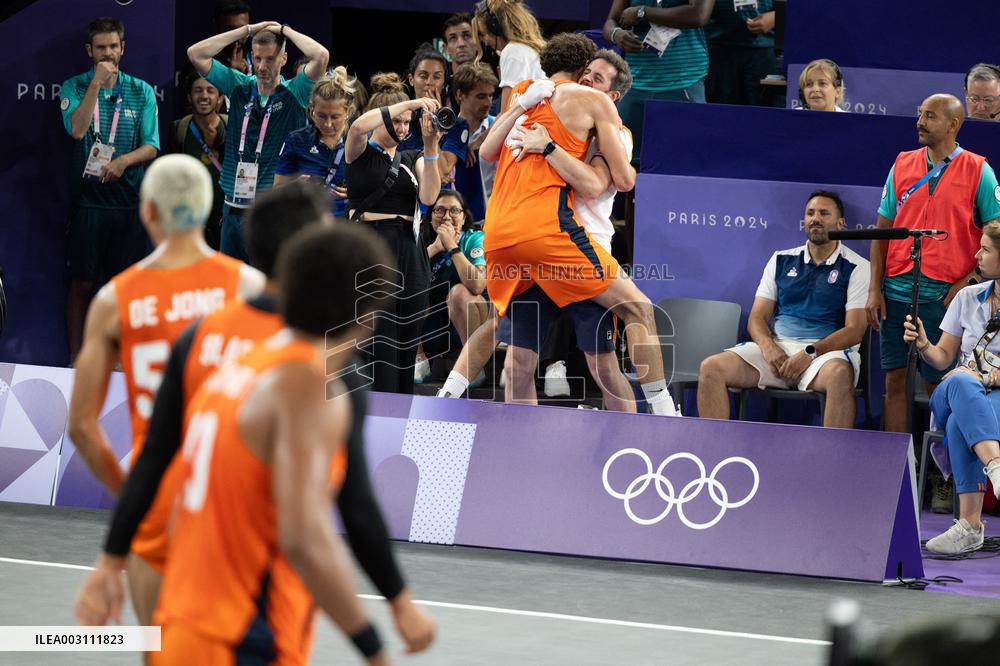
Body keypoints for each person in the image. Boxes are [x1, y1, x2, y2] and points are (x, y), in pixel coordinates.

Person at [73, 181, 435, 654]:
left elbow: (152, 455)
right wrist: (379, 632)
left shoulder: (206, 341)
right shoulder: (317, 374)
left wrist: (110, 557)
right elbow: (328, 517)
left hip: (179, 567)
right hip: (245, 622)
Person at [149, 224, 398, 664]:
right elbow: (303, 536)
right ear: (366, 315)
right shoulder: (307, 388)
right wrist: (372, 647)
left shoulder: (239, 368)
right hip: (242, 636)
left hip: (183, 623)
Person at [66, 154, 265, 626]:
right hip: (232, 502)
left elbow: (80, 427)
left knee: (163, 649)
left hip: (159, 501)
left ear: (147, 210)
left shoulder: (115, 299)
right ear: (208, 205)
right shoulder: (250, 288)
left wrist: (132, 491)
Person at [479, 33, 676, 415]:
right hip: (547, 240)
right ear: (580, 69)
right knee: (521, 363)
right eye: (588, 74)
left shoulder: (599, 125)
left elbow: (601, 182)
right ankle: (663, 416)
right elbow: (488, 150)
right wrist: (538, 125)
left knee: (592, 362)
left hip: (539, 240)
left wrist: (546, 144)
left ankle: (651, 421)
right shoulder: (556, 102)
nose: (590, 82)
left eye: (599, 80)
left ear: (613, 96)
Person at [866, 94, 1000, 436]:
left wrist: (968, 281)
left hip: (944, 296)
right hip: (895, 290)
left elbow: (997, 234)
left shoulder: (978, 170)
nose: (920, 122)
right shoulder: (902, 164)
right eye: (920, 114)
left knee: (939, 384)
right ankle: (896, 469)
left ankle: (941, 470)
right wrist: (873, 289)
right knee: (894, 379)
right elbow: (882, 231)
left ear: (953, 124)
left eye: (930, 116)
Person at [698, 191, 870, 428]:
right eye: (810, 213)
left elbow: (855, 330)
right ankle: (714, 457)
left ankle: (833, 461)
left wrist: (810, 352)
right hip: (778, 352)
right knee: (711, 368)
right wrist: (769, 348)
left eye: (823, 213)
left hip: (824, 356)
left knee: (840, 375)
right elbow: (758, 317)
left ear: (841, 223)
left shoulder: (858, 267)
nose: (815, 219)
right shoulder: (781, 259)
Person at [187, 19, 329, 261]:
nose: (262, 66)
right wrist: (247, 31)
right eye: (257, 58)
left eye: (270, 59)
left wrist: (286, 30)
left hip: (271, 211)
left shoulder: (295, 92)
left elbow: (321, 56)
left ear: (283, 60)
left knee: (265, 288)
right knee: (233, 287)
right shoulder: (239, 86)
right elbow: (196, 53)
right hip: (232, 206)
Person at [61, 17, 160, 361]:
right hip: (88, 203)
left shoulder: (142, 91)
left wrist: (122, 163)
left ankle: (120, 360)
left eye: (113, 46)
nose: (108, 53)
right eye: (101, 47)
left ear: (123, 48)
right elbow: (77, 130)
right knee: (82, 285)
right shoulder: (73, 87)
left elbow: (151, 145)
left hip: (128, 204)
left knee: (124, 290)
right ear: (90, 50)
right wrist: (95, 87)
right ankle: (75, 360)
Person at [902, 221, 1000, 554]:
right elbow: (943, 358)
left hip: (990, 396)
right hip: (952, 390)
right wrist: (925, 344)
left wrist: (985, 378)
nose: (977, 254)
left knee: (963, 420)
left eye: (986, 249)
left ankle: (970, 527)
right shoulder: (967, 297)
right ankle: (996, 468)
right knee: (959, 380)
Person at [344, 74, 442, 394]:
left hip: (408, 245)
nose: (402, 129)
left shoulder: (411, 157)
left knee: (407, 331)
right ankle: (375, 409)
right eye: (396, 121)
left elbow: (428, 197)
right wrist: (413, 102)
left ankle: (402, 407)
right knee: (379, 332)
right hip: (373, 243)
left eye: (406, 122)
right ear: (382, 117)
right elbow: (358, 126)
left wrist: (430, 146)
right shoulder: (360, 151)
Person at [603, 0, 712, 165]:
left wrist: (643, 12)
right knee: (625, 162)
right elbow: (611, 22)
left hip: (684, 82)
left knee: (685, 160)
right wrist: (616, 34)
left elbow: (699, 15)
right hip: (635, 85)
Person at [415, 190, 488, 383]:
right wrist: (435, 248)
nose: (447, 217)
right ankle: (418, 360)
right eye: (439, 210)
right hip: (431, 325)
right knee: (410, 290)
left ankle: (472, 364)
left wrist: (452, 248)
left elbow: (478, 285)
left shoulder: (474, 238)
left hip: (469, 322)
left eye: (454, 211)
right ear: (430, 217)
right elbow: (401, 280)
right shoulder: (420, 241)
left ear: (464, 217)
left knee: (460, 293)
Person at [274, 68, 361, 221]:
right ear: (312, 108)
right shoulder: (296, 140)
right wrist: (296, 188)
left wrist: (356, 192)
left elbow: (375, 190)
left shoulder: (360, 141)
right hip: (305, 225)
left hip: (346, 227)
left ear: (347, 112)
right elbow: (277, 190)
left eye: (335, 117)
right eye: (321, 116)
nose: (327, 124)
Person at [169, 73, 227, 249]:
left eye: (211, 91)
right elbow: (172, 177)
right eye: (198, 90)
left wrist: (219, 144)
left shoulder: (232, 127)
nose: (204, 96)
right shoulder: (179, 128)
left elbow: (242, 168)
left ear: (220, 99)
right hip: (190, 217)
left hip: (224, 217)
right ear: (189, 96)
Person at [472, 0, 546, 113]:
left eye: (484, 34)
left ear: (496, 28)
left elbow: (507, 114)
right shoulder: (527, 50)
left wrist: (486, 132)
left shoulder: (512, 52)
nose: (485, 42)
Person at [705, 0, 776, 106]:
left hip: (762, 47)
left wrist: (776, 15)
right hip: (718, 44)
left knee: (761, 112)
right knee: (719, 111)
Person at [452, 63, 499, 222]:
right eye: (480, 96)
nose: (488, 103)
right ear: (460, 95)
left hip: (496, 222)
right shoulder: (446, 135)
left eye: (491, 95)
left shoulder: (500, 130)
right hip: (457, 225)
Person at [214, 1, 252, 75]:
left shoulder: (259, 64)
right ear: (218, 28)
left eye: (242, 29)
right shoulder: (204, 64)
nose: (237, 35)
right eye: (230, 29)